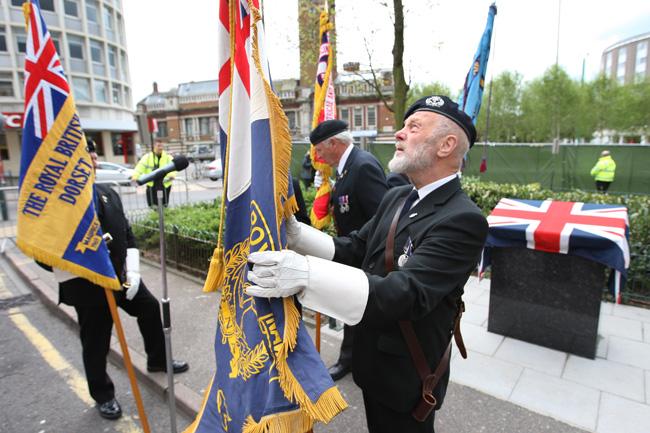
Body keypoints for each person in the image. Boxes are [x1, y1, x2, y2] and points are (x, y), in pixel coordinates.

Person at [246, 95, 488, 433]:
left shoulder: (463, 218)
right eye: (402, 126)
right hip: (373, 361)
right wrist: (298, 236)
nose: (399, 134)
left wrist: (306, 276)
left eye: (413, 127)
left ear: (447, 145)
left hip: (409, 376)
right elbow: (354, 249)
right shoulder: (398, 197)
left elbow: (407, 293)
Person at [47, 139, 189, 420]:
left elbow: (127, 234)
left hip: (122, 278)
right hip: (89, 286)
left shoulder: (108, 193)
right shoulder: (60, 205)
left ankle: (158, 361)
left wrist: (133, 271)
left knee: (149, 308)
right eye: (89, 158)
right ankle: (103, 395)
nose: (95, 162)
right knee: (96, 341)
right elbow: (46, 255)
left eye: (95, 157)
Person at [309, 119, 388, 381]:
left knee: (356, 311)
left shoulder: (362, 166)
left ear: (334, 143)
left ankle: (352, 360)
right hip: (352, 252)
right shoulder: (346, 169)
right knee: (352, 311)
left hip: (364, 256)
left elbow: (380, 217)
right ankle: (354, 358)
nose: (317, 156)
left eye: (319, 149)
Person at [132, 140, 176, 207]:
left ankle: (163, 215)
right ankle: (155, 216)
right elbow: (139, 167)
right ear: (154, 146)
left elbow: (174, 168)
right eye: (158, 146)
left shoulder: (168, 157)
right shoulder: (147, 157)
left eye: (161, 146)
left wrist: (171, 176)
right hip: (151, 185)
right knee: (152, 205)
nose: (160, 148)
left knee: (164, 205)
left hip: (165, 185)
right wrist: (135, 177)